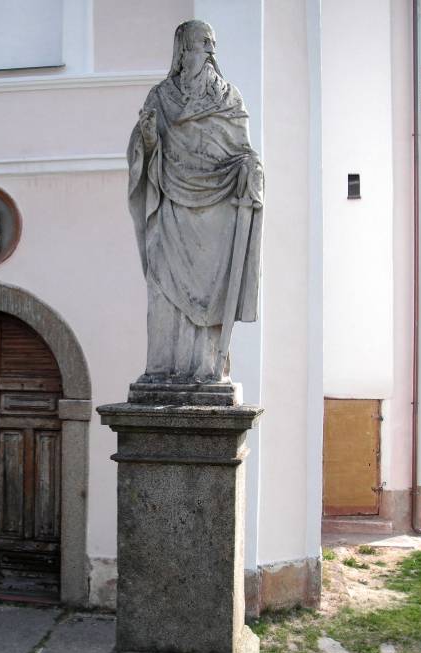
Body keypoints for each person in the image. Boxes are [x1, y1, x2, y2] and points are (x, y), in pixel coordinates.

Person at [128, 20, 263, 384]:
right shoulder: (160, 97)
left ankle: (206, 366)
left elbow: (242, 150)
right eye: (193, 46)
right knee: (162, 284)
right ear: (181, 51)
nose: (200, 53)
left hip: (215, 212)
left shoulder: (228, 97)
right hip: (171, 203)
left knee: (209, 292)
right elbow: (145, 150)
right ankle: (162, 368)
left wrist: (251, 170)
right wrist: (148, 139)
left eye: (206, 45)